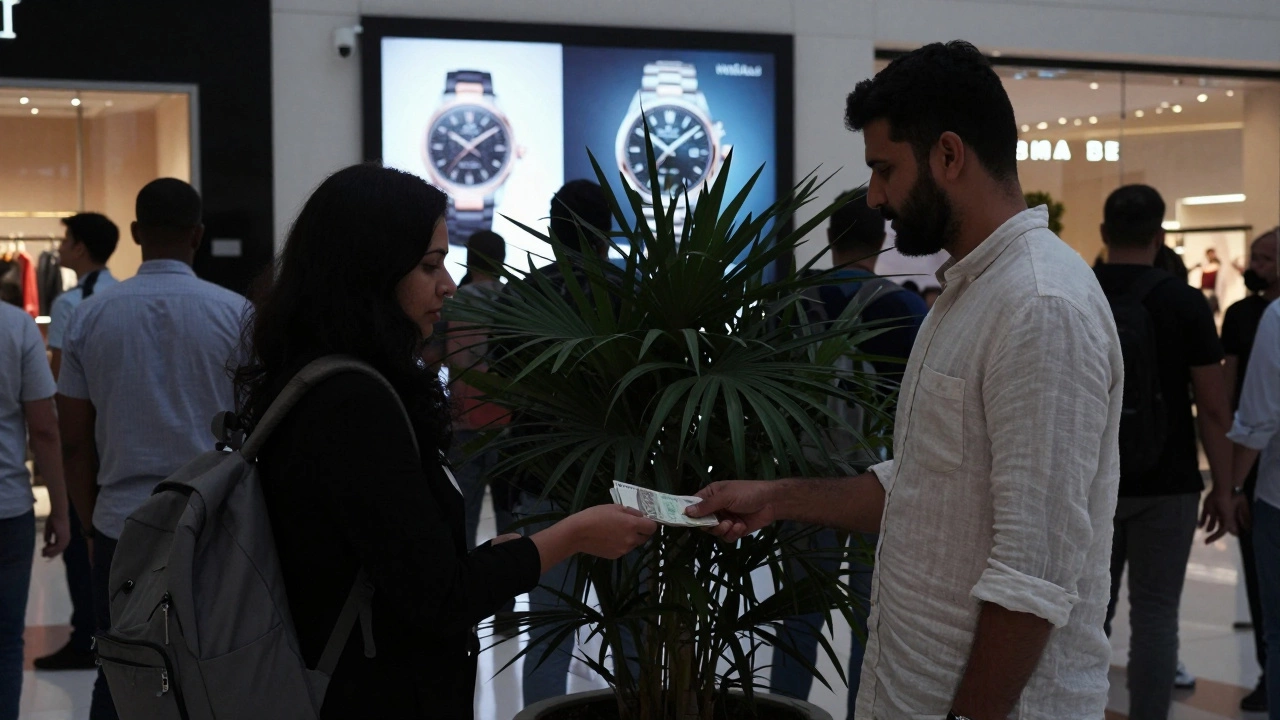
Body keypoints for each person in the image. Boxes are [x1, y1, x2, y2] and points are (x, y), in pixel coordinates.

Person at [686, 41, 1124, 719]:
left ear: (948, 155)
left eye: (884, 168)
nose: (875, 196)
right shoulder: (968, 294)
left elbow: (1032, 576)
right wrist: (777, 497)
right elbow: (921, 487)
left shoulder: (1041, 307)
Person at [233, 164, 655, 719]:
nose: (449, 285)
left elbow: (400, 562)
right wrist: (573, 533)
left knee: (549, 638)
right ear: (371, 269)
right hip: (370, 691)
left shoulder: (317, 376)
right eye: (431, 265)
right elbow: (439, 595)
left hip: (349, 675)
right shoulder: (354, 403)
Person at [57, 178, 249, 720]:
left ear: (137, 232)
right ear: (198, 234)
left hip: (121, 524)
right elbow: (256, 431)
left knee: (121, 670)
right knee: (210, 669)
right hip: (213, 524)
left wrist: (90, 525)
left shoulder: (89, 317)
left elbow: (73, 440)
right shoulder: (237, 314)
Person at [770, 189, 927, 716]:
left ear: (829, 236)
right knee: (870, 619)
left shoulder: (791, 304)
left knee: (797, 618)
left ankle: (785, 710)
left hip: (803, 481)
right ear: (882, 239)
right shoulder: (905, 309)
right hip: (880, 484)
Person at [1095, 186, 1236, 719]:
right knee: (1155, 616)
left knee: (1089, 615)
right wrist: (1224, 488)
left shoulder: (1079, 290)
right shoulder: (1185, 301)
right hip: (1170, 480)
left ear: (1105, 233)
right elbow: (1213, 408)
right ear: (1159, 236)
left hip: (1092, 480)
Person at [512, 179, 622, 706]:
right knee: (635, 636)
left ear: (553, 234)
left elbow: (505, 382)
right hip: (623, 488)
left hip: (545, 484)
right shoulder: (631, 293)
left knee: (547, 639)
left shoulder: (523, 295)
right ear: (606, 235)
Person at [33, 212, 119, 672]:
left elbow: (60, 378)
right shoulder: (120, 293)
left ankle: (86, 634)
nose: (61, 247)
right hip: (118, 433)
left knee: (81, 532)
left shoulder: (70, 303)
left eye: (66, 239)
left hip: (85, 435)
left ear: (81, 247)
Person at [0, 302, 70, 720]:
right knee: (6, 641)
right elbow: (44, 428)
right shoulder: (16, 326)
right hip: (7, 508)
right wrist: (60, 509)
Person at [1222, 227, 1280, 713]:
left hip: (1268, 479)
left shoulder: (1275, 319)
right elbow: (1228, 385)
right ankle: (1264, 673)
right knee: (1263, 596)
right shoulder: (1243, 315)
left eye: (1266, 259)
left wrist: (1232, 483)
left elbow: (1257, 416)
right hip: (1261, 472)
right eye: (1253, 257)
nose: (1255, 267)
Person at [446, 230, 514, 551]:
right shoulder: (513, 301)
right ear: (502, 260)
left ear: (469, 259)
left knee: (462, 514)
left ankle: (466, 578)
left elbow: (433, 356)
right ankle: (510, 581)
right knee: (509, 517)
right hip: (507, 424)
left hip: (463, 420)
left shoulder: (455, 301)